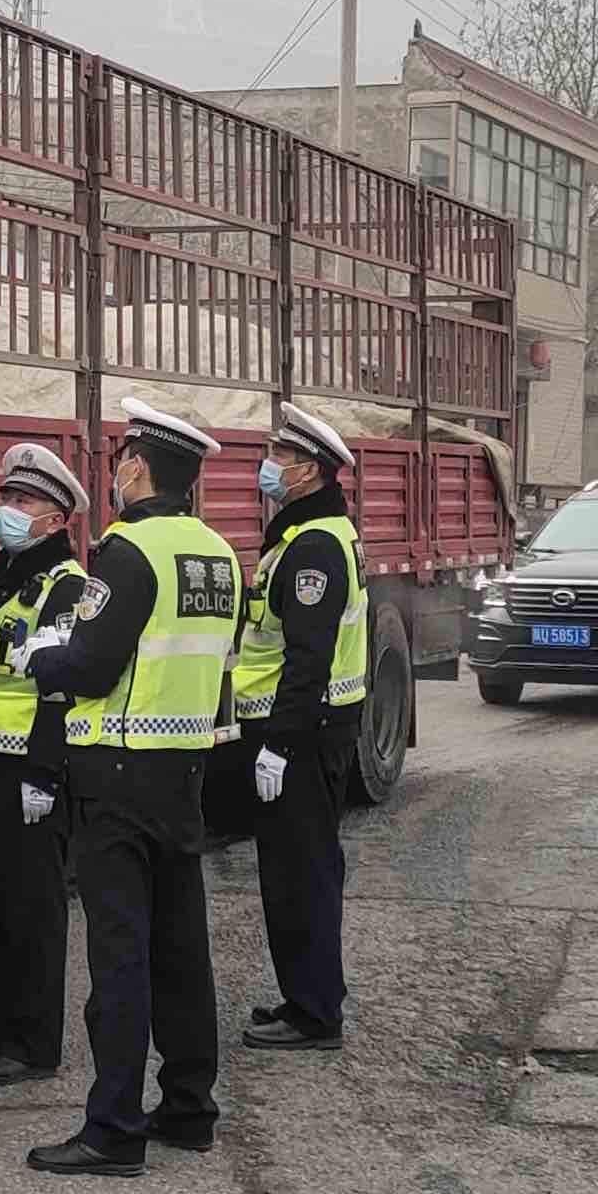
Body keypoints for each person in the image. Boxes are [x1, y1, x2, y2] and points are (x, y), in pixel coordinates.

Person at [19, 400, 242, 1178]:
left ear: (138, 469)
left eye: (121, 462)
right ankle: (188, 1108)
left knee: (119, 958)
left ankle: (113, 1129)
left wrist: (40, 658)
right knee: (181, 951)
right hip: (182, 770)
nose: (115, 474)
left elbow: (90, 665)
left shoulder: (127, 550)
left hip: (116, 772)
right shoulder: (217, 553)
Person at [0, 442, 91, 1088]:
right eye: (5, 496)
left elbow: (60, 689)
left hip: (27, 771)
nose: (7, 508)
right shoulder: (4, 581)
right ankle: (1, 1024)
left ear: (56, 519)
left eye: (23, 500)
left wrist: (44, 772)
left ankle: (34, 1044)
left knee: (32, 908)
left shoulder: (66, 588)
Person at [234, 402, 365, 1053]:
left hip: (303, 733)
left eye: (280, 457)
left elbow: (308, 657)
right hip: (311, 726)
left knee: (302, 875)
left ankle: (315, 1014)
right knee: (298, 871)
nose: (269, 466)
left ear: (309, 470)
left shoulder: (314, 546)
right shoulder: (312, 534)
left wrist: (280, 745)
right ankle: (305, 998)